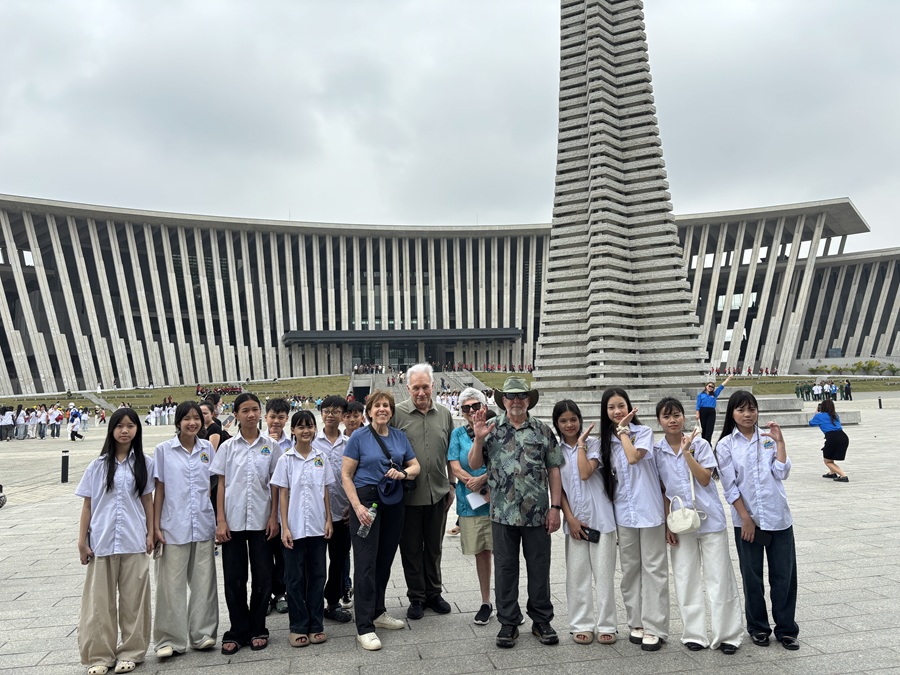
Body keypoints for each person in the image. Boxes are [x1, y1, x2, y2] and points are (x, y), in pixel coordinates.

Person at [468, 377, 564, 649]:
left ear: (529, 400)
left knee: (539, 567)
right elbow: (474, 464)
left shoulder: (542, 430)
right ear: (503, 401)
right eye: (510, 396)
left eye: (521, 396)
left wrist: (555, 508)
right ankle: (508, 622)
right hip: (502, 513)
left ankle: (541, 620)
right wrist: (478, 438)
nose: (516, 401)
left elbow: (554, 469)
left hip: (537, 513)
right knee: (505, 569)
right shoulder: (491, 428)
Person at [654, 397, 743, 655]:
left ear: (684, 417)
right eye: (666, 416)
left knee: (719, 577)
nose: (672, 420)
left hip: (710, 519)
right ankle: (694, 633)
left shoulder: (700, 444)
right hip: (680, 522)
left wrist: (686, 453)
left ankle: (727, 635)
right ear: (659, 421)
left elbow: (705, 479)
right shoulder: (657, 451)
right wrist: (667, 524)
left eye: (676, 415)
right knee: (685, 577)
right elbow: (663, 490)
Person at [716, 391, 800, 650]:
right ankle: (758, 627)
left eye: (751, 409)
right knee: (752, 576)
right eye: (741, 410)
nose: (747, 414)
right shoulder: (726, 445)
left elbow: (781, 473)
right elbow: (730, 486)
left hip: (777, 516)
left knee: (784, 576)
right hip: (747, 521)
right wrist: (746, 518)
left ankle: (786, 629)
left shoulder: (767, 438)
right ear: (732, 413)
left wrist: (780, 443)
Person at [75, 408, 154, 675]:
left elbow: (148, 501)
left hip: (133, 539)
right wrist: (82, 541)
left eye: (130, 426)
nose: (125, 431)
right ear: (111, 430)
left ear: (137, 430)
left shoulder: (145, 463)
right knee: (99, 603)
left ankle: (131, 651)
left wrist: (150, 533)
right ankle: (99, 655)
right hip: (102, 540)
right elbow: (88, 505)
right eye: (119, 426)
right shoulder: (97, 466)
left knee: (134, 601)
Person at [341, 390, 420, 651]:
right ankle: (364, 626)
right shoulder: (359, 437)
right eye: (377, 406)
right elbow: (346, 475)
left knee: (385, 559)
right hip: (367, 501)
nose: (382, 409)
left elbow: (415, 466)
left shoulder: (399, 436)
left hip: (393, 500)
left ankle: (378, 611)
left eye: (386, 405)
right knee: (365, 562)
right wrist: (356, 507)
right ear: (369, 411)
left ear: (392, 411)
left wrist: (404, 473)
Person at [209, 393, 281, 655]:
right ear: (236, 414)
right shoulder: (228, 447)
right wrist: (220, 520)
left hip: (262, 520)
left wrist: (274, 517)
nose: (251, 415)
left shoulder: (271, 446)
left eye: (255, 410)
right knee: (234, 578)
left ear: (260, 413)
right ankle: (238, 630)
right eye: (245, 411)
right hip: (233, 521)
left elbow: (276, 485)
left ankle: (258, 627)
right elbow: (221, 485)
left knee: (263, 576)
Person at [598, 387, 668, 651]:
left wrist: (624, 431)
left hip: (649, 511)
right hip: (624, 513)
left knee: (654, 569)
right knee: (630, 571)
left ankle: (655, 627)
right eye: (611, 407)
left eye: (621, 406)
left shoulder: (644, 432)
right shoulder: (605, 441)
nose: (617, 411)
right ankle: (636, 622)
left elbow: (633, 458)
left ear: (629, 407)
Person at [152, 401, 219, 658]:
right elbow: (159, 490)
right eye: (187, 418)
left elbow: (211, 486)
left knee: (204, 583)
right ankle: (169, 639)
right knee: (170, 585)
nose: (192, 423)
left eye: (196, 418)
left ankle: (202, 634)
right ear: (178, 422)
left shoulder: (207, 449)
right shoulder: (163, 450)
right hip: (173, 525)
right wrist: (155, 526)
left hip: (202, 523)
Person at [390, 363, 455, 620]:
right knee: (411, 549)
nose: (421, 392)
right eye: (416, 387)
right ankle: (416, 596)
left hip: (438, 493)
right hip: (408, 496)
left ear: (433, 386)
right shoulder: (397, 414)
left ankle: (434, 593)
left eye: (425, 387)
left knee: (434, 547)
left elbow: (451, 454)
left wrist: (452, 485)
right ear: (408, 388)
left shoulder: (444, 414)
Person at [553, 400, 617, 646]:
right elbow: (559, 489)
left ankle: (607, 624)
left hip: (600, 517)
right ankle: (581, 624)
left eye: (573, 419)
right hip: (575, 520)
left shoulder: (594, 444)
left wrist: (580, 445)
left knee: (604, 575)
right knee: (577, 575)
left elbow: (585, 472)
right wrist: (569, 518)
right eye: (563, 421)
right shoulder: (555, 450)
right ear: (557, 424)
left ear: (580, 420)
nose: (569, 425)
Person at [272, 410, 335, 647]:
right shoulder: (286, 459)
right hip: (295, 528)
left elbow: (325, 490)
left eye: (309, 426)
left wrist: (329, 519)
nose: (306, 430)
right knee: (294, 578)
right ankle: (298, 626)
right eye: (301, 426)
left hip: (317, 527)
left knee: (318, 576)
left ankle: (316, 624)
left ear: (314, 429)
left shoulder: (321, 458)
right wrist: (285, 527)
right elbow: (283, 494)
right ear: (293, 431)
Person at [447, 388, 495, 625]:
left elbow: (503, 461)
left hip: (498, 499)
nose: (471, 411)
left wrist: (483, 480)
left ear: (484, 406)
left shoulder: (496, 427)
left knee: (504, 553)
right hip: (471, 501)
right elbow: (455, 466)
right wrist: (473, 483)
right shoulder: (458, 434)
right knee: (481, 552)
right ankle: (486, 601)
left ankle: (508, 601)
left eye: (476, 406)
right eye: (466, 407)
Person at [312, 396, 353, 624]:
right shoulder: (312, 442)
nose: (330, 415)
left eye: (335, 411)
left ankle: (333, 602)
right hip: (317, 515)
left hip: (343, 513)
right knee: (316, 562)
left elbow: (355, 475)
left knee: (338, 560)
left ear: (343, 416)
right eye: (326, 410)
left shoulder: (349, 444)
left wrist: (352, 504)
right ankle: (313, 603)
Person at [263, 398, 292, 615]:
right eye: (272, 416)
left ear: (286, 419)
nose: (276, 421)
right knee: (263, 555)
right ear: (265, 417)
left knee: (282, 555)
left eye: (281, 417)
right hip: (262, 507)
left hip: (283, 509)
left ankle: (281, 592)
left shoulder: (292, 443)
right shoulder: (259, 441)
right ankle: (264, 594)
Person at [809, 400, 850, 482]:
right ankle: (832, 472)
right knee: (830, 455)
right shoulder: (835, 415)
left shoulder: (819, 415)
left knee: (827, 461)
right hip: (843, 436)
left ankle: (843, 476)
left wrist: (816, 414)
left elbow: (811, 423)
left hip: (832, 438)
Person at [695, 375, 732, 444]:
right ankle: (703, 443)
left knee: (710, 429)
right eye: (709, 386)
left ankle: (708, 443)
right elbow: (698, 405)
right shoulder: (700, 395)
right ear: (706, 386)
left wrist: (728, 379)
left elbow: (721, 386)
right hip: (703, 411)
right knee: (703, 429)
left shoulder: (714, 394)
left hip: (711, 412)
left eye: (712, 387)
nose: (710, 387)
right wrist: (697, 413)